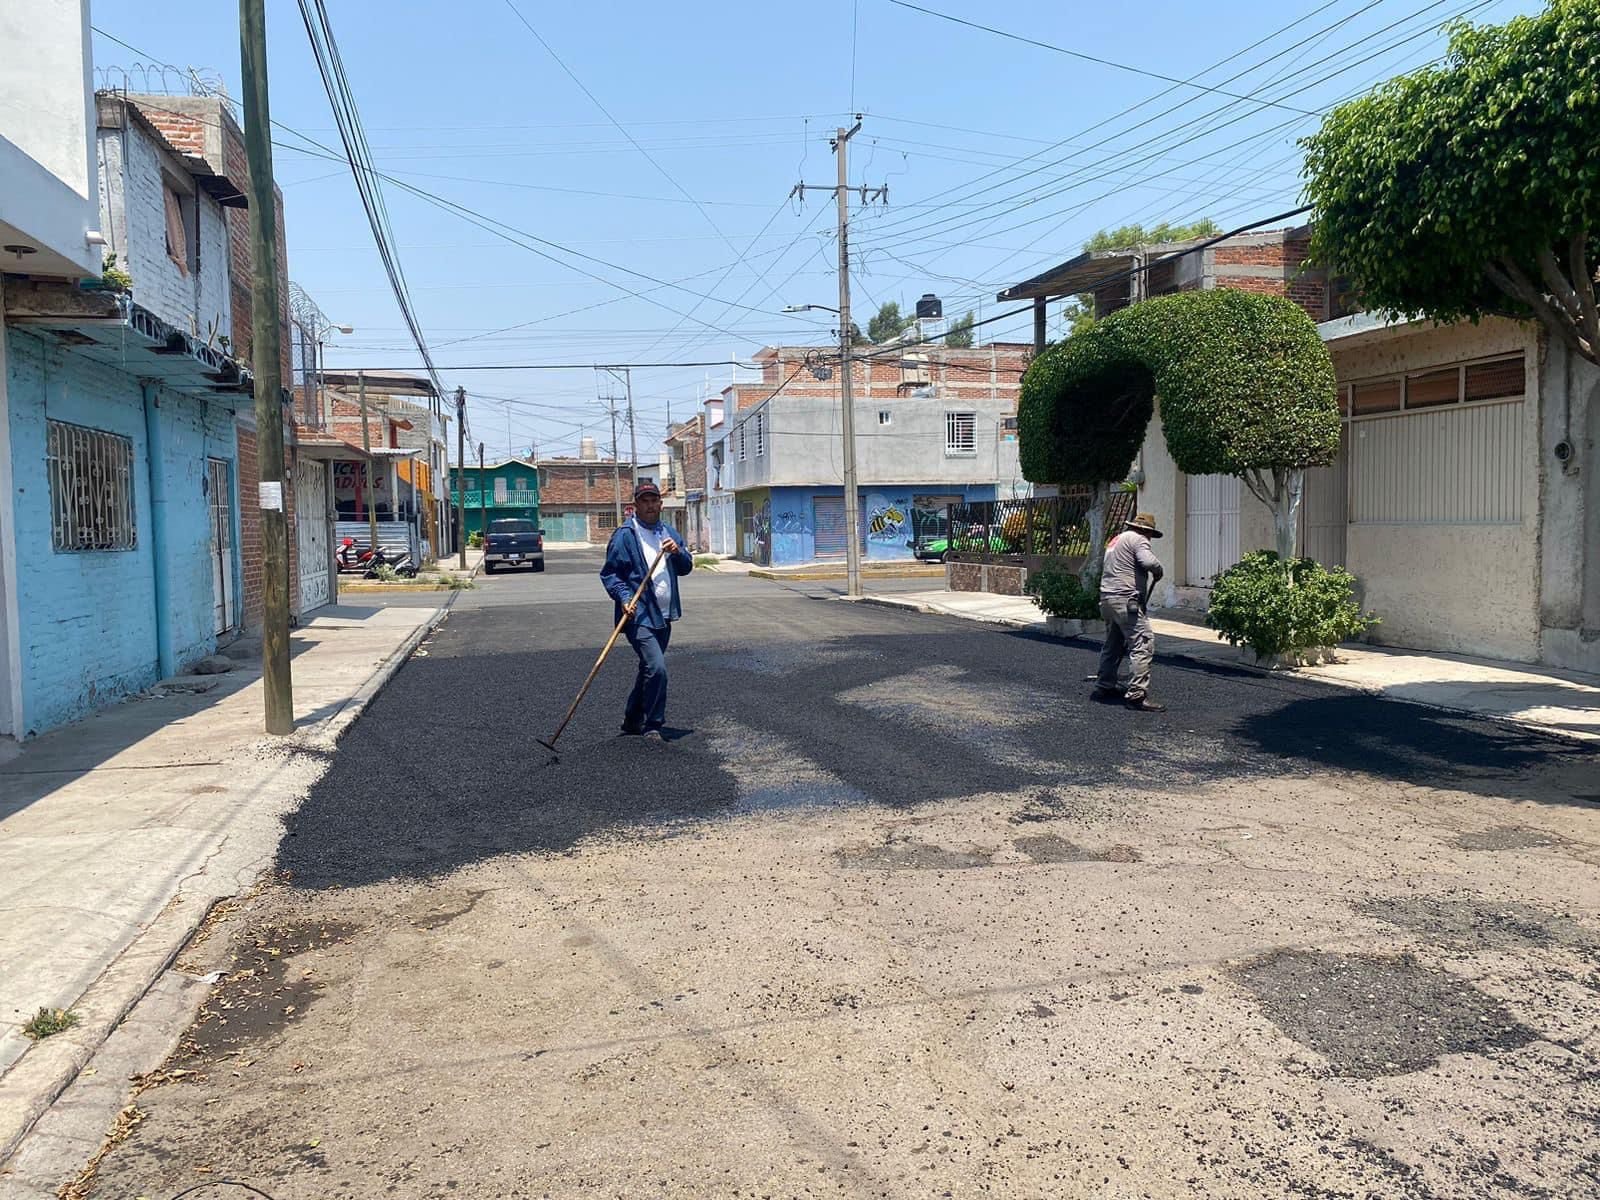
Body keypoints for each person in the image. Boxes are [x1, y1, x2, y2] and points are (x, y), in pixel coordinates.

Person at [599, 480, 695, 736]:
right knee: (657, 668)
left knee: (648, 669)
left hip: (664, 616)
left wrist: (678, 552)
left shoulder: (668, 533)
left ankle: (632, 719)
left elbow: (686, 567)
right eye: (645, 501)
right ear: (636, 505)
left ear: (660, 504)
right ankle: (654, 725)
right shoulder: (625, 536)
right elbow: (611, 574)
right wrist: (624, 597)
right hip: (639, 614)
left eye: (654, 501)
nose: (650, 506)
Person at [1094, 511, 1166, 712]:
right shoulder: (1138, 539)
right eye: (1150, 534)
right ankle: (1136, 695)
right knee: (1142, 643)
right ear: (1146, 530)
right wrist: (1159, 570)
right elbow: (1148, 562)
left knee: (1113, 644)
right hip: (1126, 600)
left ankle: (1104, 685)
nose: (1149, 538)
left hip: (1107, 599)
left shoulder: (1117, 539)